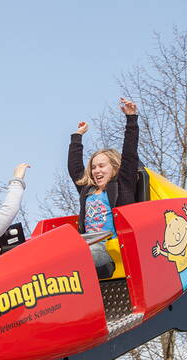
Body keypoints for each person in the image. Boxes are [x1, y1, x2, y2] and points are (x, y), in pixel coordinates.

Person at [68, 98, 140, 278]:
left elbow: (130, 155)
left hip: (109, 246)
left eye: (102, 166)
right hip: (86, 244)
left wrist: (131, 119)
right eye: (93, 167)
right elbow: (75, 169)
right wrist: (77, 136)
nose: (96, 171)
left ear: (114, 167)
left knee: (85, 255)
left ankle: (102, 268)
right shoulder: (88, 191)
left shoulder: (121, 187)